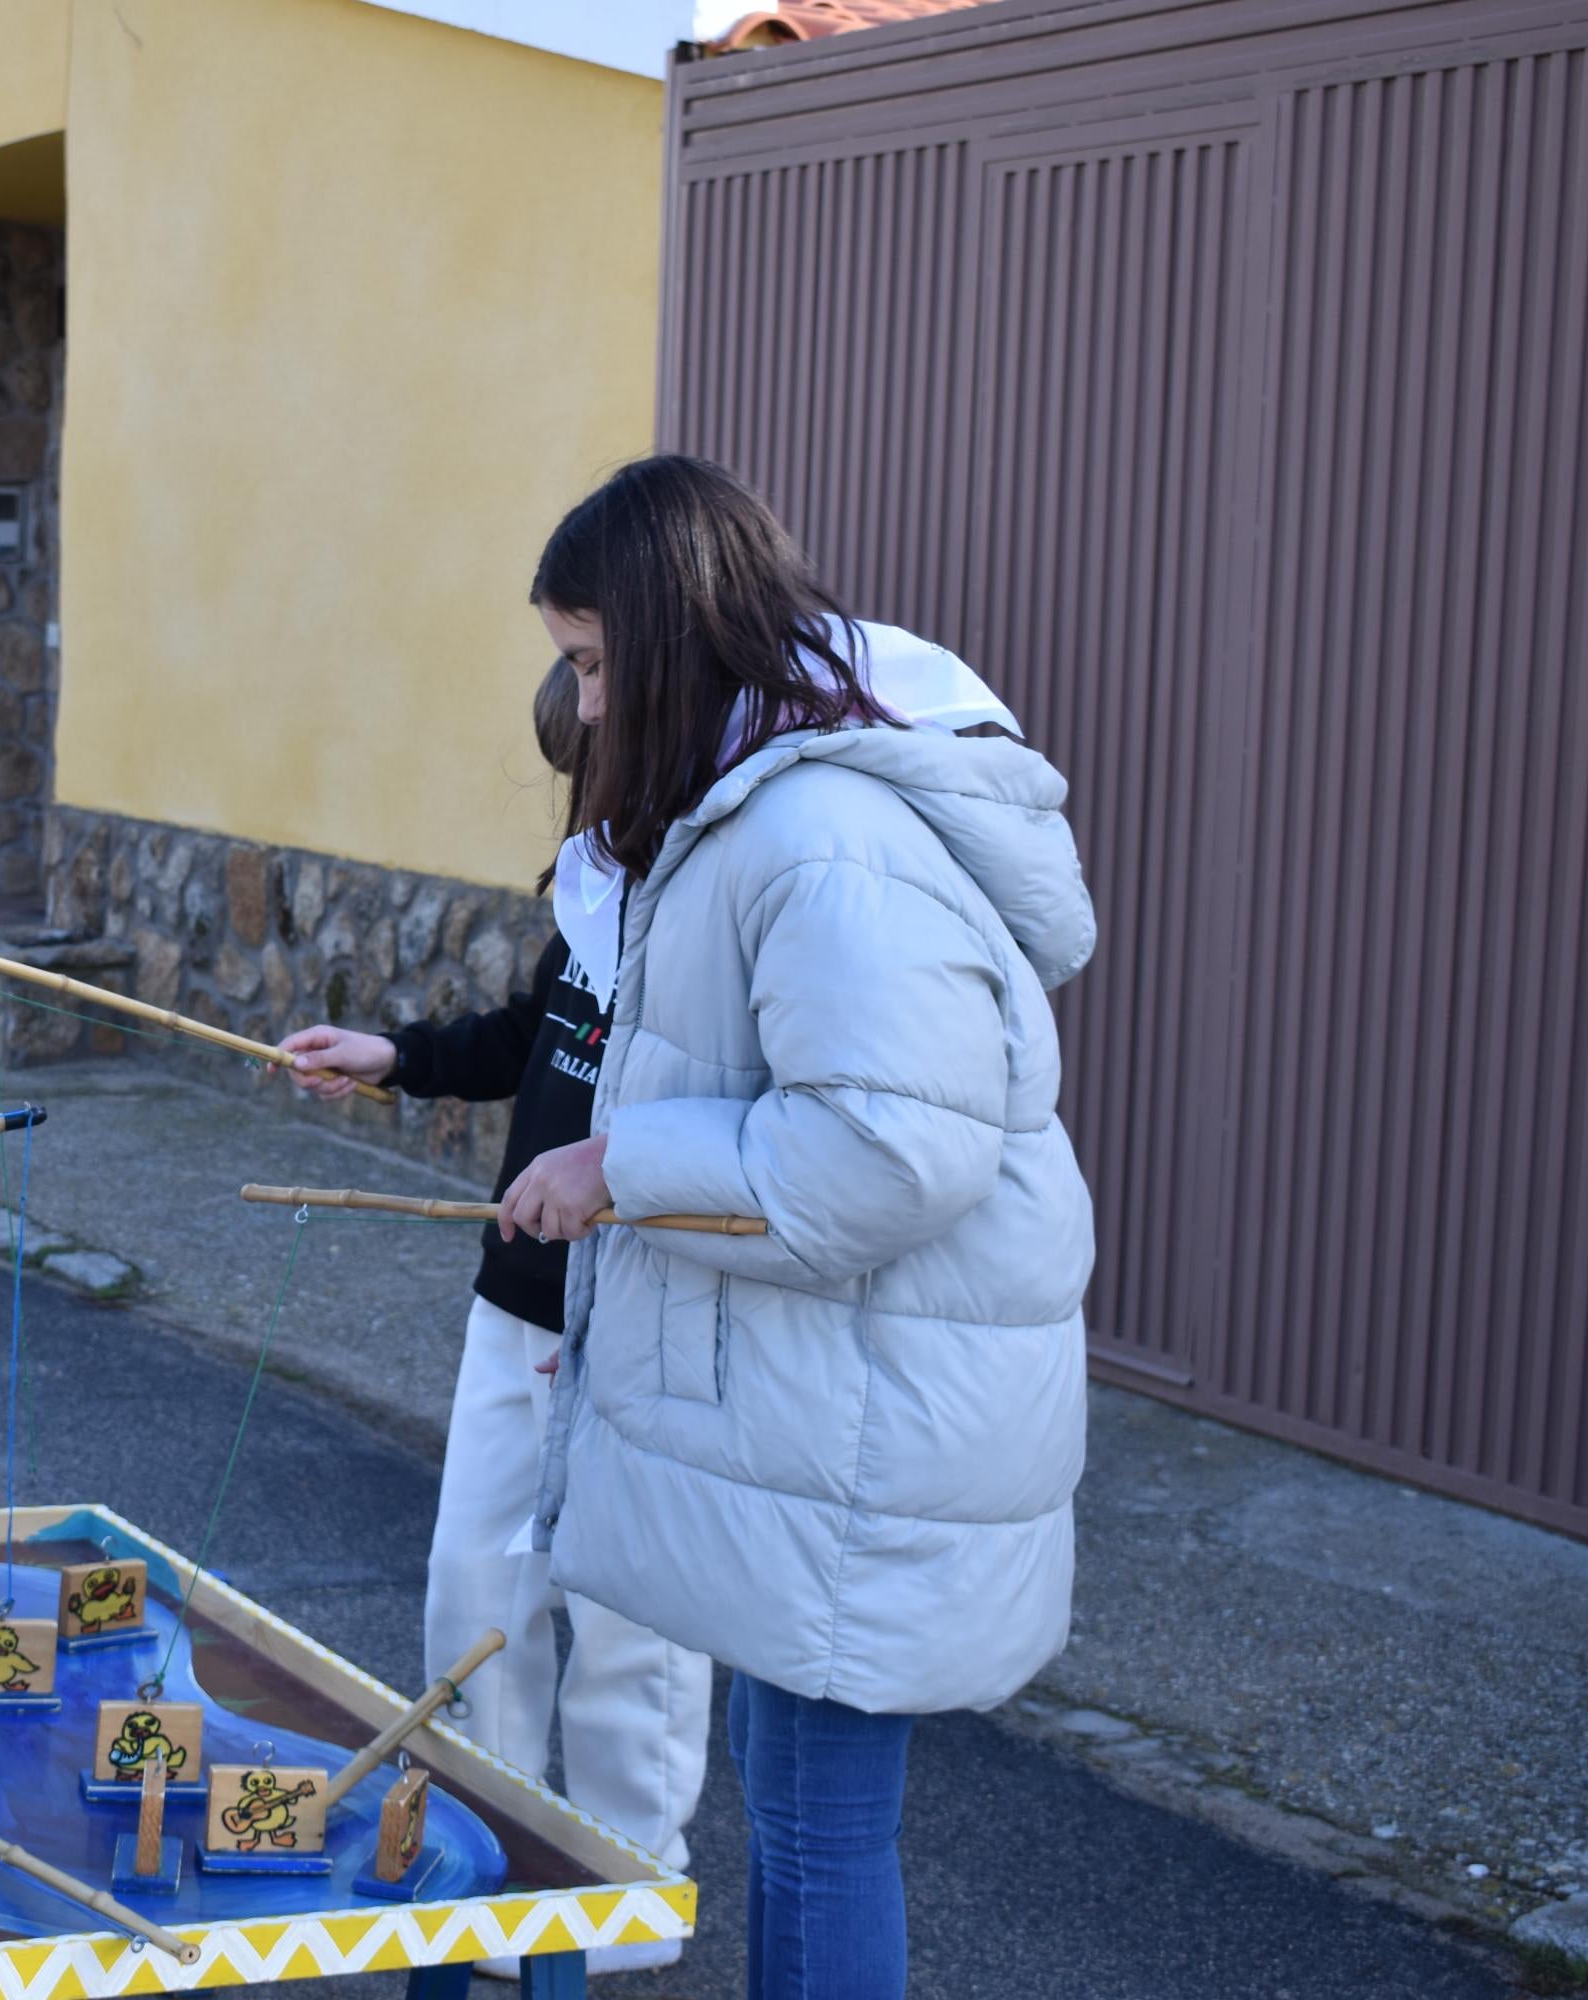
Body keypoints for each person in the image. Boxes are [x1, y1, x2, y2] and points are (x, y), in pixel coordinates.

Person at [500, 456, 1093, 2000]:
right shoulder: (763, 806)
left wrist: (616, 1168)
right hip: (827, 1408)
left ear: (671, 637)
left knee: (823, 1833)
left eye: (591, 665)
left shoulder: (822, 834)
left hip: (872, 1424)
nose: (586, 706)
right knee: (795, 1813)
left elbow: (891, 1152)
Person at [274, 662, 711, 1978]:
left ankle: (633, 1893)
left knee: (636, 1623)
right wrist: (398, 1057)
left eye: (599, 756)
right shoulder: (596, 877)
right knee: (477, 1587)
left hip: (644, 1315)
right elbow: (533, 1036)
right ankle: (497, 1859)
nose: (587, 795)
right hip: (513, 1300)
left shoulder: (719, 901)